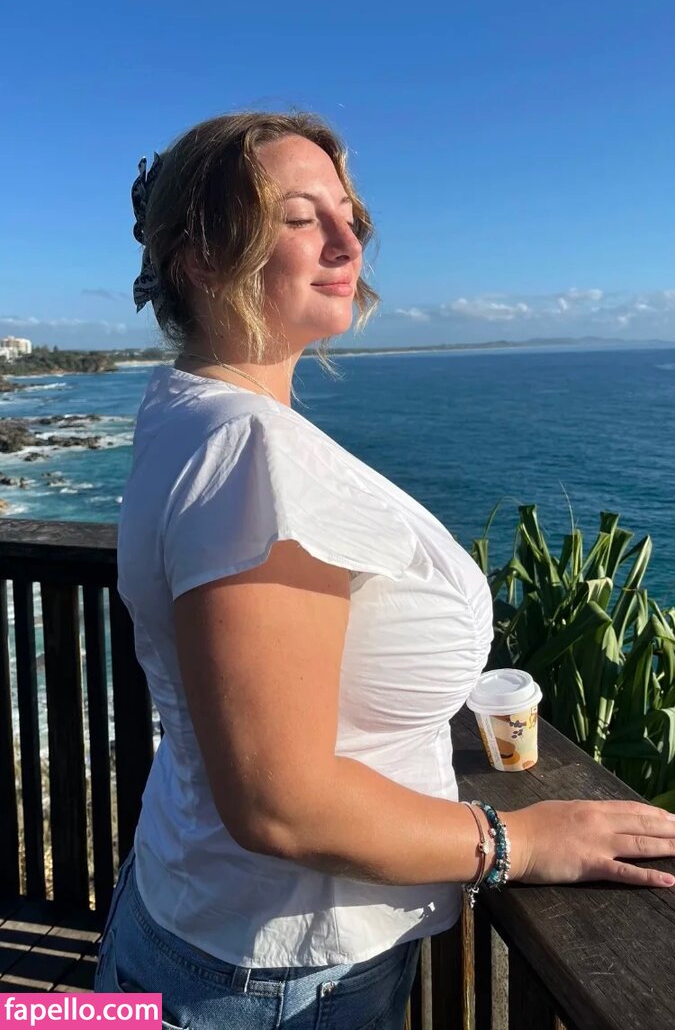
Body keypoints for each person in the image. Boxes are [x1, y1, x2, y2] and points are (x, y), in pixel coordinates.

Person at [94, 110, 675, 1030]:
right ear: (199, 256)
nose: (345, 239)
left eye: (349, 213)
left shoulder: (185, 414)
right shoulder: (250, 455)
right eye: (299, 217)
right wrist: (515, 842)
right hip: (271, 981)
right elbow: (280, 802)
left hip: (185, 929)